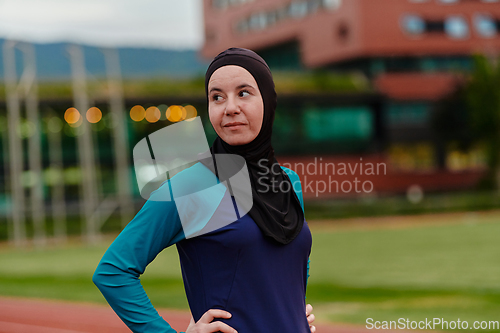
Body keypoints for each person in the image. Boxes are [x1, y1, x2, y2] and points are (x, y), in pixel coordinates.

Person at [93, 47, 315, 333]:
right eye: (217, 97)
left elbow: (293, 260)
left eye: (244, 93)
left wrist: (296, 309)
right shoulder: (190, 187)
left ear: (268, 101)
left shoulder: (289, 182)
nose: (230, 107)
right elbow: (113, 272)